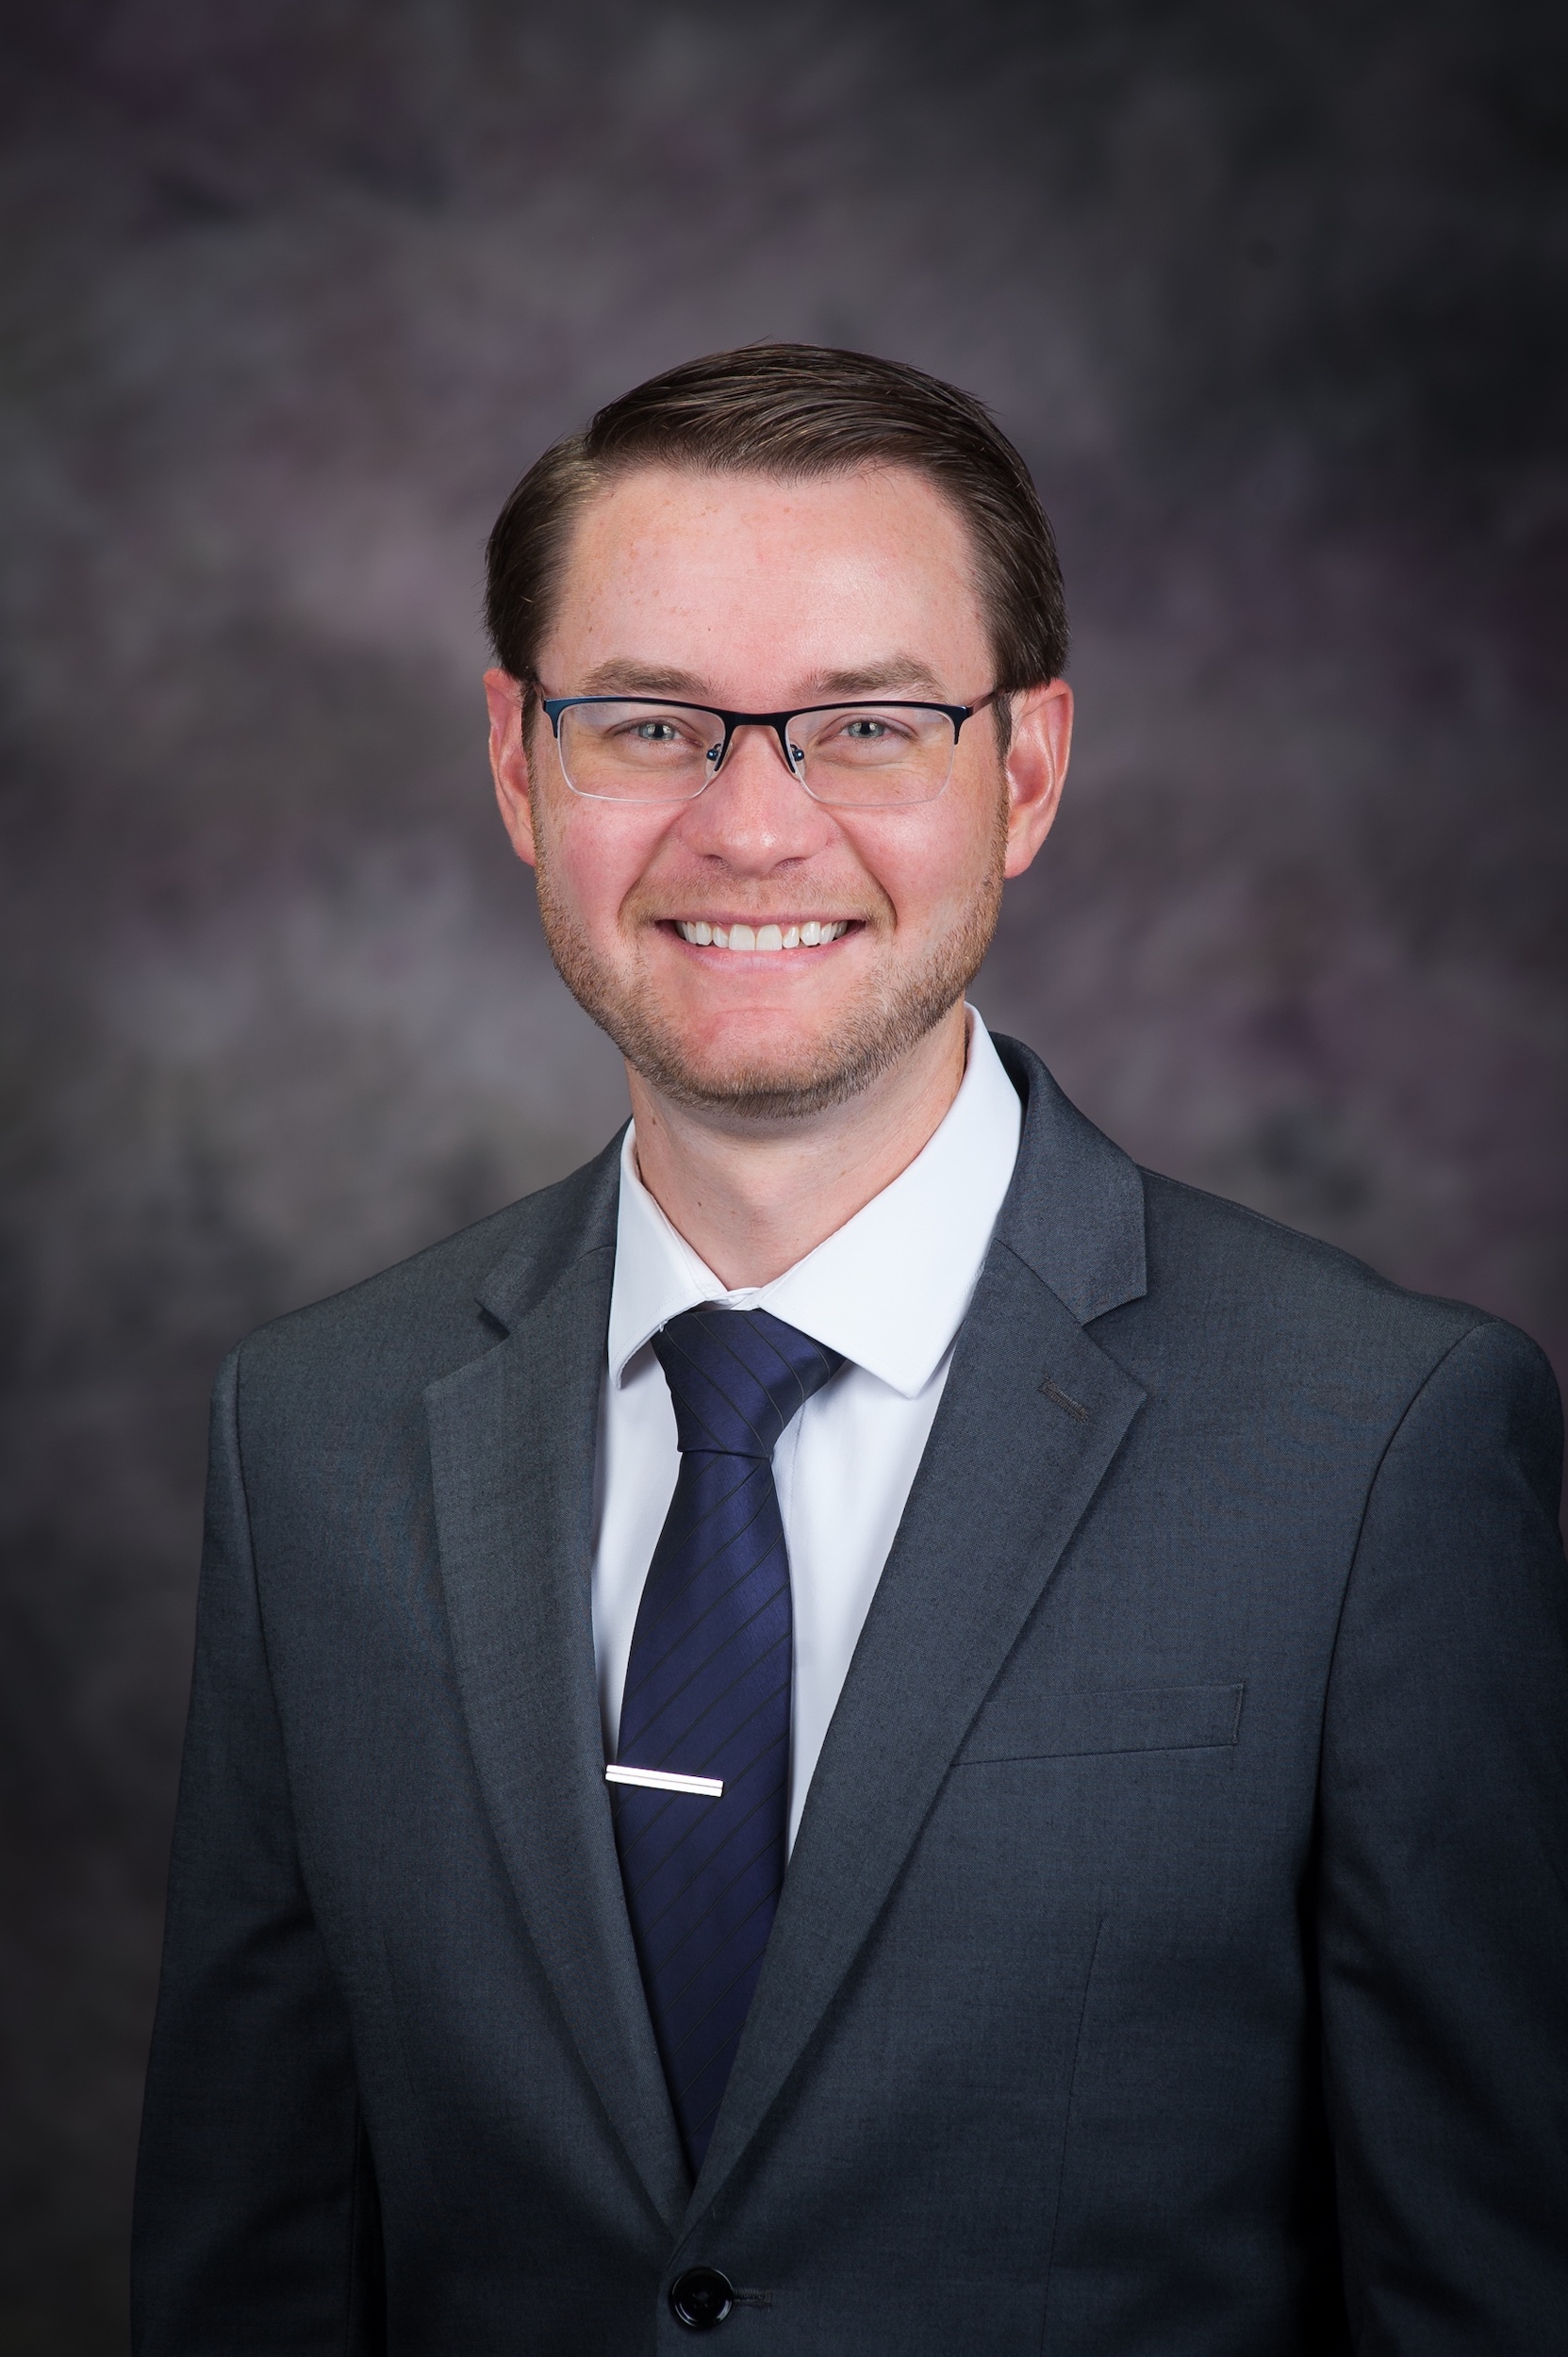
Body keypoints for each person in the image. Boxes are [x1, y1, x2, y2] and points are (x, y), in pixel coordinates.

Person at [131, 344, 1568, 2355]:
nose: (748, 825)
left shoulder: (1378, 1444)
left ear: (1029, 770)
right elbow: (253, 2261)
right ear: (515, 762)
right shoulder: (313, 1427)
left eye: (867, 723)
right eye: (649, 722)